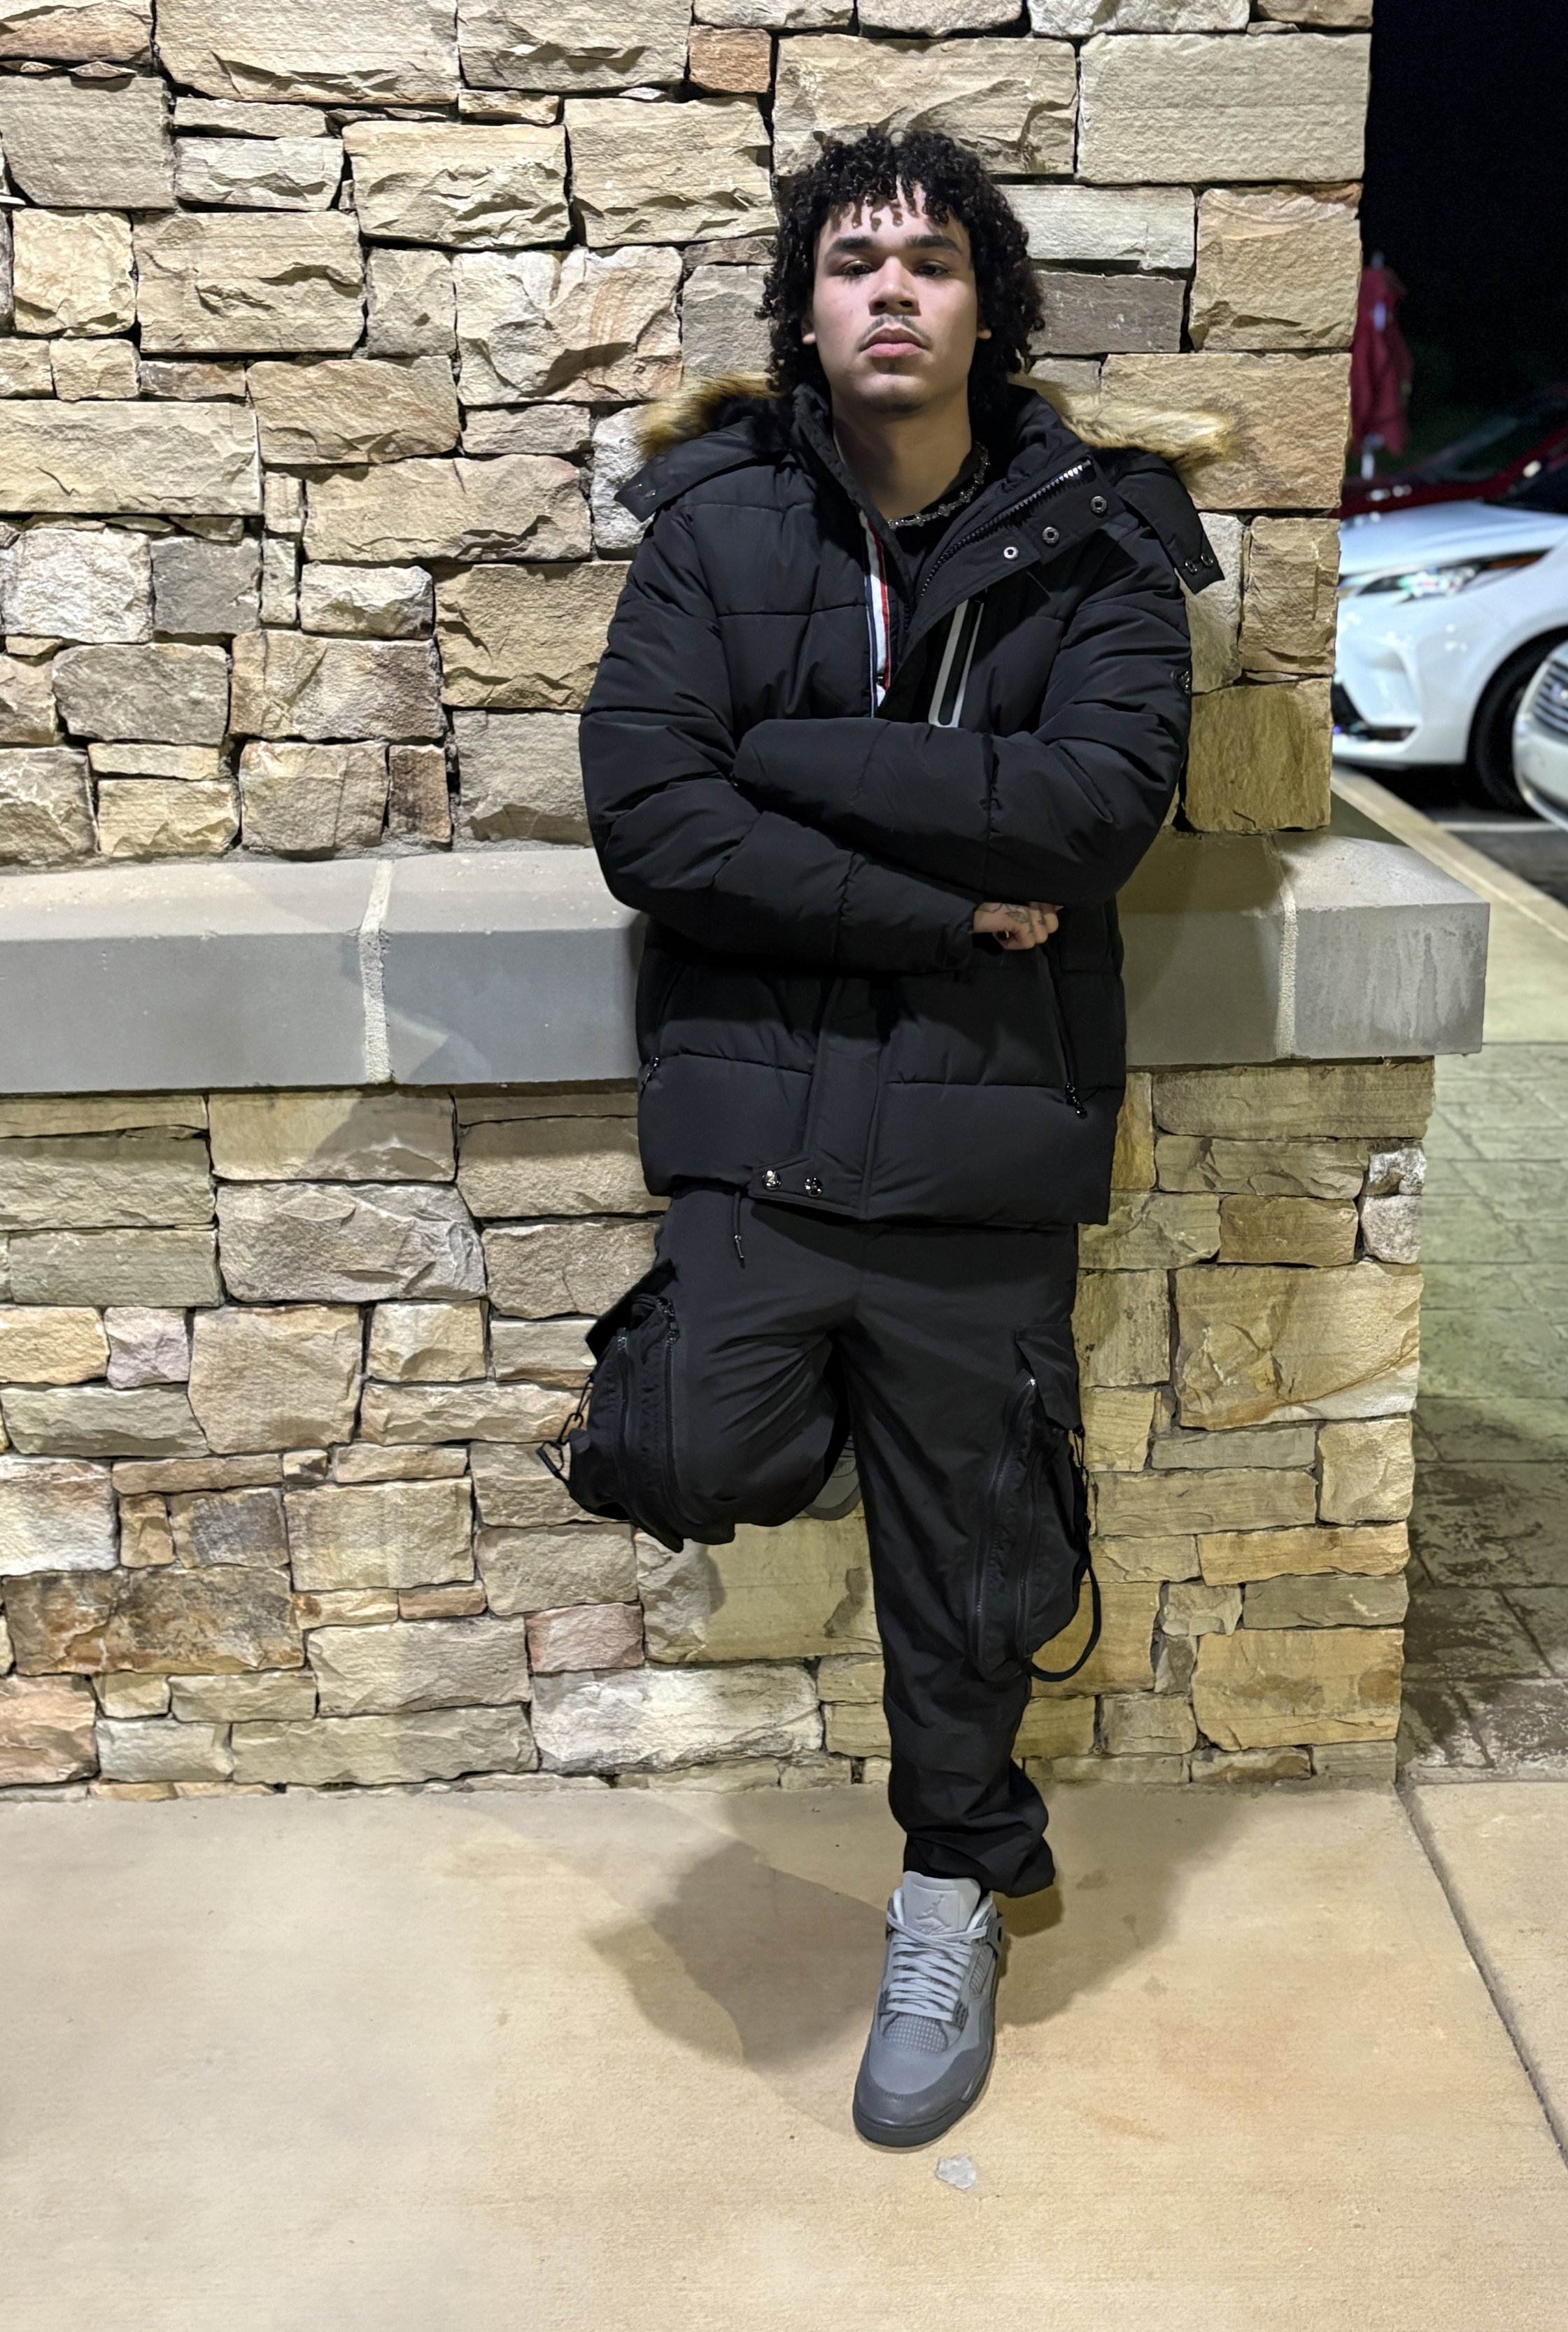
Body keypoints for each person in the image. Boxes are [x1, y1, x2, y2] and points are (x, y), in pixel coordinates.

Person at [565, 127, 1220, 2149]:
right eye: (850, 263)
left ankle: (955, 1874)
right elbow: (644, 821)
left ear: (983, 302)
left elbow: (1096, 809)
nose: (888, 293)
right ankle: (916, 1479)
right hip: (760, 1118)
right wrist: (933, 895)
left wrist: (781, 765)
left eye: (928, 262)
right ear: (805, 301)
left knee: (967, 1583)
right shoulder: (715, 524)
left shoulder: (1101, 533)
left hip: (982, 1139)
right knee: (680, 1445)